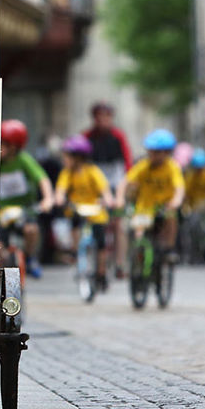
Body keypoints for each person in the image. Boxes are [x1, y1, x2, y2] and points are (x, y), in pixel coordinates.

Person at [0, 119, 55, 278]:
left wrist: (48, 199)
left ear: (13, 147)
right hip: (0, 211)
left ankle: (31, 258)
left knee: (31, 230)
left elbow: (42, 179)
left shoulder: (24, 160)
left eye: (2, 144)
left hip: (24, 209)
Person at [83, 102, 134, 278]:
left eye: (107, 117)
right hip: (95, 187)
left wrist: (126, 188)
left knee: (119, 225)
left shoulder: (118, 137)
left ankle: (120, 264)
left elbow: (128, 163)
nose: (103, 120)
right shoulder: (87, 137)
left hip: (116, 183)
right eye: (100, 117)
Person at [118, 129, 185, 262]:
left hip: (164, 207)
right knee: (139, 233)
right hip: (144, 208)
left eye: (157, 152)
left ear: (166, 153)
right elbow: (125, 182)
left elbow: (179, 187)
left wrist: (176, 200)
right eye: (151, 151)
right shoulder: (143, 166)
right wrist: (119, 198)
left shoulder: (172, 168)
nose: (153, 155)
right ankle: (138, 262)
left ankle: (168, 250)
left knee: (171, 217)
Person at [55, 135, 114, 286]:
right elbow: (61, 188)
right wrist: (59, 198)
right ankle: (75, 251)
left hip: (95, 211)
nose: (65, 159)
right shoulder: (67, 173)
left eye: (68, 156)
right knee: (75, 225)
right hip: (77, 209)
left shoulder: (92, 171)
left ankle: (101, 271)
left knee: (100, 242)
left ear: (78, 157)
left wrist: (108, 199)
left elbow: (104, 188)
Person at [181, 149, 205, 263]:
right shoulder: (190, 178)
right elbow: (186, 194)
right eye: (197, 168)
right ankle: (193, 254)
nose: (199, 171)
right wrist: (186, 206)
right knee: (192, 229)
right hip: (194, 208)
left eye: (201, 168)